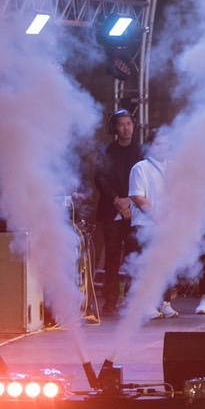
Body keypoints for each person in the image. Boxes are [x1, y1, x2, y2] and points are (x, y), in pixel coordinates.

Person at [93, 110, 142, 315]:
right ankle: (110, 300)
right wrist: (117, 201)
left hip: (135, 210)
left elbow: (145, 181)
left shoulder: (141, 151)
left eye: (128, 123)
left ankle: (132, 298)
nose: (126, 128)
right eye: (121, 124)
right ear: (115, 128)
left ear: (133, 125)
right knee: (112, 258)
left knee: (134, 256)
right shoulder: (106, 151)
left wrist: (129, 201)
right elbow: (100, 179)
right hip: (111, 210)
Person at [127, 128, 178, 320]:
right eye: (158, 144)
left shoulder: (173, 167)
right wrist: (157, 217)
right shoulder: (140, 168)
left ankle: (165, 302)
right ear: (149, 145)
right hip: (146, 225)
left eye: (166, 144)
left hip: (168, 224)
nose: (162, 147)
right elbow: (137, 196)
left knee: (165, 265)